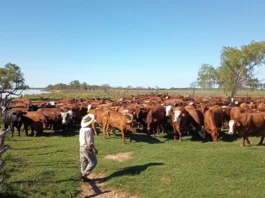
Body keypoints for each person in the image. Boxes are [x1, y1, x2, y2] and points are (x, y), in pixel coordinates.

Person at [79, 114, 98, 182]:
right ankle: (84, 174)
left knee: (84, 161)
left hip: (81, 147)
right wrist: (94, 149)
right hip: (87, 147)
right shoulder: (89, 130)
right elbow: (89, 142)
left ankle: (83, 176)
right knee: (93, 161)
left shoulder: (82, 129)